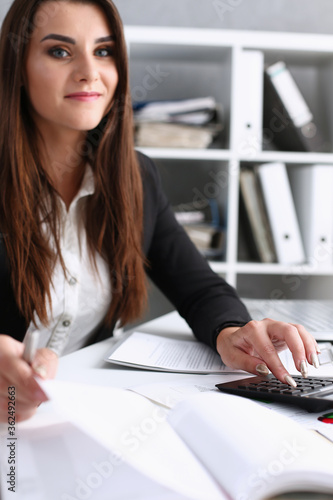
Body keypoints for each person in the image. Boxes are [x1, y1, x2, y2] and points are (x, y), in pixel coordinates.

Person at [0, 0, 319, 423]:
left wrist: (232, 332)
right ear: (16, 67)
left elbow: (199, 288)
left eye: (104, 51)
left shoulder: (134, 177)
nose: (89, 72)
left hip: (80, 412)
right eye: (59, 51)